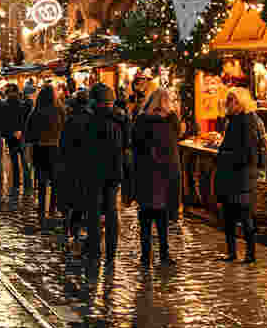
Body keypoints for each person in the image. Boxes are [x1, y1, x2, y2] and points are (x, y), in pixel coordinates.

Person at [131, 78, 181, 266]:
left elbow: (134, 145)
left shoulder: (141, 120)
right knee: (162, 217)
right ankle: (164, 254)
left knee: (145, 217)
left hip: (145, 174)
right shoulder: (171, 120)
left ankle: (146, 255)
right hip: (165, 175)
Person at [214, 86, 267, 263]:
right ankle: (232, 252)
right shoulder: (233, 120)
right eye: (228, 100)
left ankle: (250, 254)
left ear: (240, 103)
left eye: (232, 100)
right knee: (229, 215)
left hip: (242, 175)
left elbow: (248, 152)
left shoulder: (247, 121)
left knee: (245, 215)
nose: (228, 104)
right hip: (232, 175)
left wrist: (225, 156)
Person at [85, 83, 129, 258]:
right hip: (114, 171)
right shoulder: (121, 119)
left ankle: (95, 249)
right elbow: (127, 144)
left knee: (94, 210)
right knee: (111, 210)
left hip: (93, 171)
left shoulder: (90, 120)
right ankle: (111, 251)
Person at [56, 87, 92, 237]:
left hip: (72, 163)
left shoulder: (71, 120)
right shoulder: (92, 118)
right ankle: (82, 227)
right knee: (85, 196)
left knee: (74, 196)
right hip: (88, 163)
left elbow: (63, 144)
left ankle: (73, 227)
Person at [24, 84, 64, 220]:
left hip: (39, 149)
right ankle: (53, 207)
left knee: (41, 180)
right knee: (55, 181)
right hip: (56, 149)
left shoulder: (36, 112)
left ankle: (41, 207)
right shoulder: (60, 111)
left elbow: (28, 134)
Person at [0, 83, 27, 189]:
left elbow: (1, 122)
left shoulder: (3, 105)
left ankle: (17, 182)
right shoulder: (23, 104)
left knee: (15, 160)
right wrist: (21, 131)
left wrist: (8, 133)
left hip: (11, 136)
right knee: (24, 161)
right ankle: (27, 183)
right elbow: (26, 120)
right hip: (21, 135)